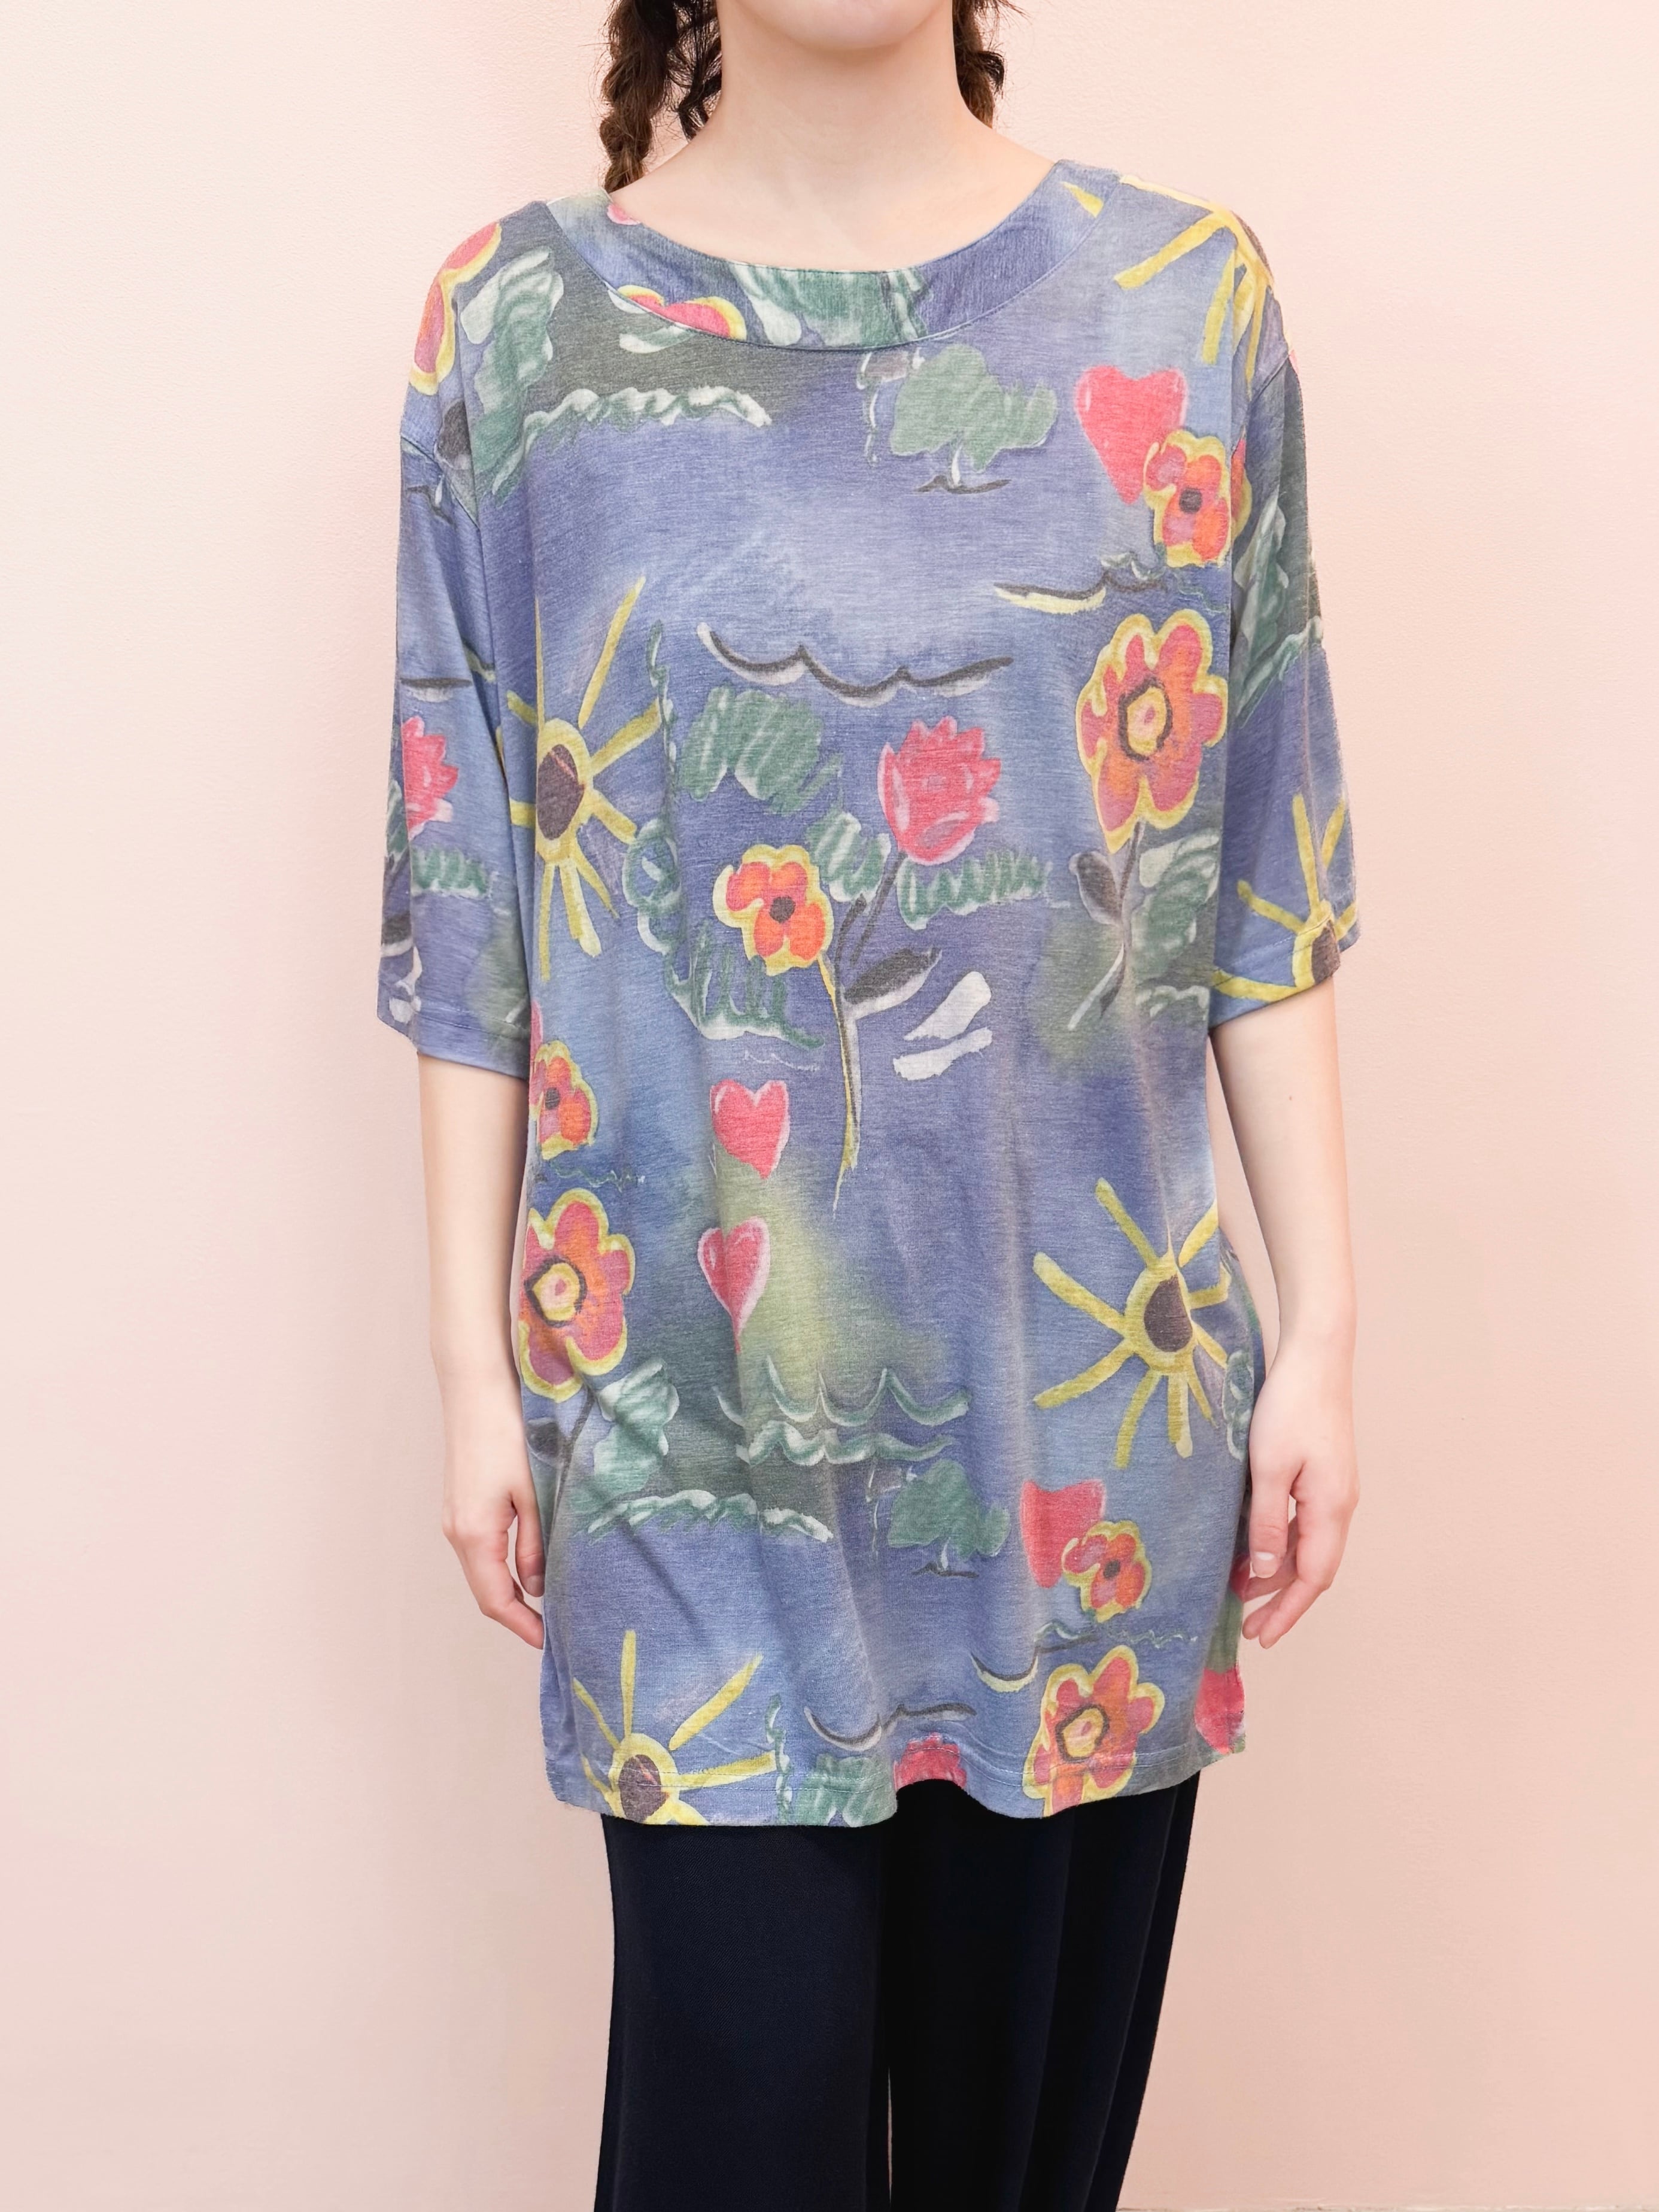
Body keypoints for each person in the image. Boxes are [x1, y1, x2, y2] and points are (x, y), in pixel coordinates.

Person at [376, 2, 1361, 2203]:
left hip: (1086, 1437)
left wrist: (1321, 1327)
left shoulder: (1180, 302)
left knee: (1018, 2168)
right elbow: (468, 896)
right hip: (680, 1426)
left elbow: (1258, 860)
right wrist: (468, 1371)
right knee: (734, 2125)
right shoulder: (522, 330)